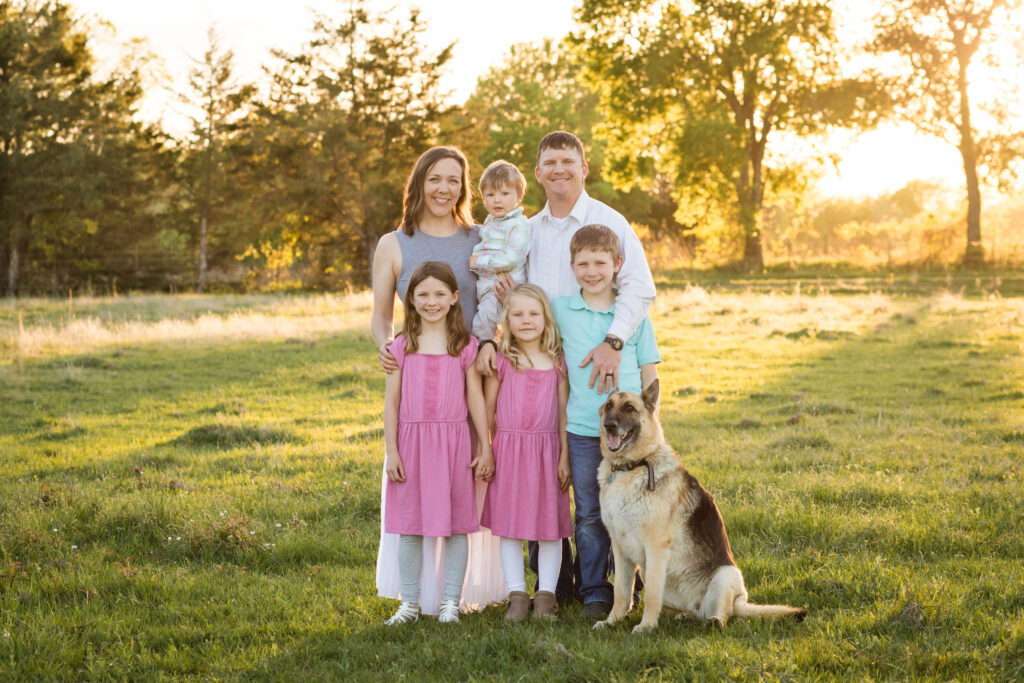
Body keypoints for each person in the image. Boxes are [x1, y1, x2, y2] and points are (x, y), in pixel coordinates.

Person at [474, 131, 657, 607]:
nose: (558, 170)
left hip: (601, 375)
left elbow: (639, 289)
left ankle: (619, 586)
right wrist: (493, 330)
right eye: (549, 163)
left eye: (567, 162)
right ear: (537, 174)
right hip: (538, 373)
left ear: (583, 168)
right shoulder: (526, 230)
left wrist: (613, 341)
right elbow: (516, 298)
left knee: (616, 488)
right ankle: (557, 585)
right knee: (541, 477)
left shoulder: (609, 222)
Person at [371, 146, 506, 617]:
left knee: (460, 500)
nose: (443, 188)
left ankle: (456, 598)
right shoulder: (394, 242)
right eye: (434, 179)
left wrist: (489, 341)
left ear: (463, 187)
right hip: (416, 380)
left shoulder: (479, 238)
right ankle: (414, 599)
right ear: (419, 183)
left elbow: (495, 297)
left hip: (468, 370)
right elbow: (381, 315)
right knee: (414, 507)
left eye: (452, 180)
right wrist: (388, 355)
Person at [553, 224, 660, 620]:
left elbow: (650, 374)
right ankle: (595, 590)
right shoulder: (561, 309)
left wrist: (652, 429)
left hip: (632, 434)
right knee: (590, 512)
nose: (592, 270)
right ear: (572, 266)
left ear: (617, 265)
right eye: (583, 263)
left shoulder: (632, 315)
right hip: (584, 429)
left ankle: (641, 584)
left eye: (601, 262)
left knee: (639, 509)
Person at [382, 261, 494, 624]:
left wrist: (485, 446)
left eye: (439, 294)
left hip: (454, 444)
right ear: (411, 300)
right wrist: (392, 451)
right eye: (423, 294)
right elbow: (392, 402)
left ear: (454, 298)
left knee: (458, 523)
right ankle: (409, 604)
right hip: (411, 444)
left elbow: (475, 398)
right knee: (410, 525)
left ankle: (450, 602)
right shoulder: (402, 346)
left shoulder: (465, 345)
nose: (432, 301)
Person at [479, 284, 572, 621]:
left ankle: (546, 594)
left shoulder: (558, 361)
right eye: (518, 314)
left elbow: (563, 414)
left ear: (546, 318)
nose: (526, 320)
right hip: (508, 452)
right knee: (510, 525)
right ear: (508, 319)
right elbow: (488, 409)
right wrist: (486, 450)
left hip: (548, 451)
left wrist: (564, 457)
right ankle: (517, 593)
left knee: (550, 525)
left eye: (534, 313)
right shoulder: (503, 359)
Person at [469, 160, 531, 340]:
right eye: (490, 194)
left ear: (518, 197)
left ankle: (483, 349)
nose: (497, 199)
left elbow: (511, 257)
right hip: (487, 284)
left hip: (503, 286)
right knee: (489, 319)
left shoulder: (517, 225)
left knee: (484, 320)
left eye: (504, 193)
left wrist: (478, 261)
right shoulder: (490, 222)